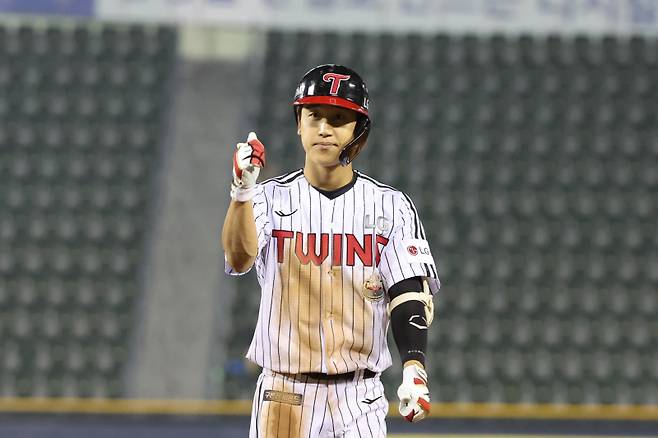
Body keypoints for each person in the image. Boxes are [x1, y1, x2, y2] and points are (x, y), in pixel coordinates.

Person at [222, 64, 440, 437]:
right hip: (283, 395)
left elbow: (406, 292)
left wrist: (413, 367)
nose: (324, 128)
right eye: (314, 115)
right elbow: (238, 259)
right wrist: (241, 192)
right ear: (299, 123)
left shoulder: (390, 205)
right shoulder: (267, 198)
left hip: (360, 396)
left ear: (359, 131)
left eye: (338, 119)